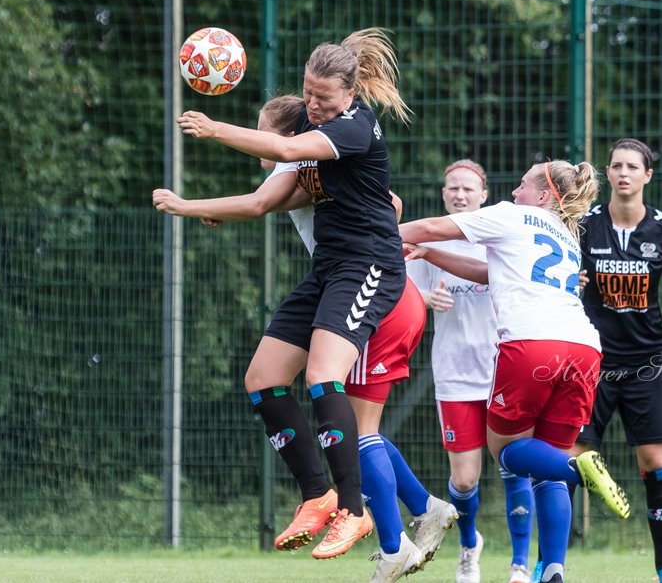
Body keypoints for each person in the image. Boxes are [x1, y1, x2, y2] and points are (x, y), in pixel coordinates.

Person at [157, 94, 459, 582]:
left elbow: (267, 198)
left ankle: (385, 538)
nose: (264, 143)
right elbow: (263, 201)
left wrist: (193, 196)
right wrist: (211, 209)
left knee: (348, 417)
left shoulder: (309, 154)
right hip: (346, 285)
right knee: (290, 392)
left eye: (267, 132)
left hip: (378, 290)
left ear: (289, 136)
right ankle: (409, 510)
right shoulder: (304, 169)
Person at [173, 29, 415, 562]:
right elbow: (267, 200)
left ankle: (354, 509)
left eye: (323, 97)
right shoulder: (311, 120)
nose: (312, 104)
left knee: (322, 376)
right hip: (329, 269)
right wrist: (195, 206)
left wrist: (215, 129)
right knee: (262, 379)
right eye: (307, 93)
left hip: (369, 265)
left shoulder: (356, 125)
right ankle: (317, 496)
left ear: (349, 95)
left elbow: (283, 147)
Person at [399, 159, 632, 583]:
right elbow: (491, 274)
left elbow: (431, 226)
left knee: (507, 452)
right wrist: (432, 255)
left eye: (522, 185)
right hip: (584, 348)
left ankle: (579, 467)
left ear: (543, 195)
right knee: (546, 465)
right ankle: (553, 571)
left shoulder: (511, 216)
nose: (513, 192)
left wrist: (376, 234)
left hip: (531, 345)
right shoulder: (565, 234)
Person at [405, 159, 536, 583]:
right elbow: (402, 290)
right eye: (451, 188)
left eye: (467, 189)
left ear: (483, 195)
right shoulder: (429, 241)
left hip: (505, 371)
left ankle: (519, 564)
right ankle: (468, 547)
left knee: (515, 465)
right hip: (455, 373)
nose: (459, 195)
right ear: (443, 194)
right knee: (463, 481)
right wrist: (426, 298)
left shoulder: (498, 237)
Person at [572, 138, 662, 583]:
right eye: (616, 166)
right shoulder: (583, 225)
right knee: (568, 459)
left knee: (656, 463)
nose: (623, 173)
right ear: (608, 173)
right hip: (591, 361)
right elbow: (562, 280)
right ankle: (550, 565)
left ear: (647, 176)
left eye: (632, 167)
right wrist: (573, 280)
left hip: (645, 364)